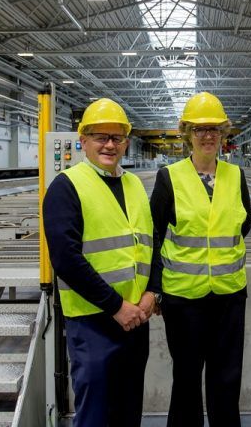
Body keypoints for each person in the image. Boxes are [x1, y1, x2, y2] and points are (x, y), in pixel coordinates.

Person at [43, 98, 159, 427]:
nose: (110, 144)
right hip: (94, 321)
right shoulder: (66, 187)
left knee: (128, 410)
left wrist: (153, 293)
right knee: (96, 413)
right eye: (100, 137)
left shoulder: (134, 184)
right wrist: (115, 306)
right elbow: (65, 259)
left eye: (117, 137)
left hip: (137, 319)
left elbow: (150, 244)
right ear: (83, 141)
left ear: (126, 142)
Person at [150, 92, 251, 427]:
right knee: (187, 381)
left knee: (226, 380)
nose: (207, 136)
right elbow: (153, 238)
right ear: (187, 134)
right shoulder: (169, 178)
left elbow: (244, 224)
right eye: (199, 129)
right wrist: (155, 289)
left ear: (224, 133)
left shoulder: (236, 177)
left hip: (229, 297)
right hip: (183, 299)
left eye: (214, 129)